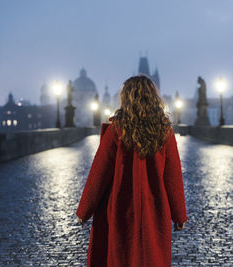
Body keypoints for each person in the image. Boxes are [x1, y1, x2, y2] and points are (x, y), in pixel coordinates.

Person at [76, 75, 187, 267]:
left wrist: (84, 211)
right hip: (155, 208)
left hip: (121, 206)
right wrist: (178, 215)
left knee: (122, 255)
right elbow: (173, 177)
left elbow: (99, 173)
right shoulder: (165, 131)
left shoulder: (116, 130)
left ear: (126, 98)